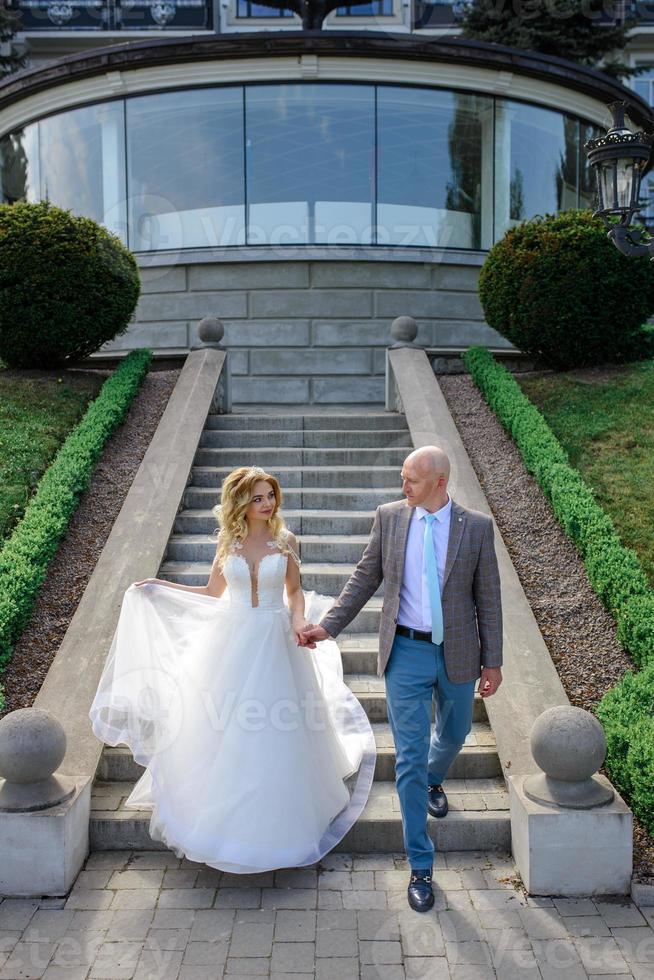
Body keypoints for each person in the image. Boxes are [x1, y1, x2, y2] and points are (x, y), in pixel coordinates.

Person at [88, 465, 376, 874]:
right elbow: (210, 593)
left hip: (277, 641)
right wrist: (160, 586)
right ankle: (222, 824)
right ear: (241, 502)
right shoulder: (229, 543)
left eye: (270, 496)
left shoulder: (286, 540)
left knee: (278, 730)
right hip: (233, 641)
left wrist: (298, 622)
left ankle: (282, 824)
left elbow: (294, 593)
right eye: (257, 497)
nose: (267, 504)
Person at [299, 446, 503, 912]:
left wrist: (492, 662)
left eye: (411, 479)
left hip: (457, 653)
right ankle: (421, 864)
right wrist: (328, 626)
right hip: (404, 653)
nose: (403, 486)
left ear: (439, 482)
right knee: (408, 757)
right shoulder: (390, 517)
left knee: (455, 732)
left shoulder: (475, 528)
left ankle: (436, 778)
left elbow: (488, 598)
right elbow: (364, 577)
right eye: (402, 477)